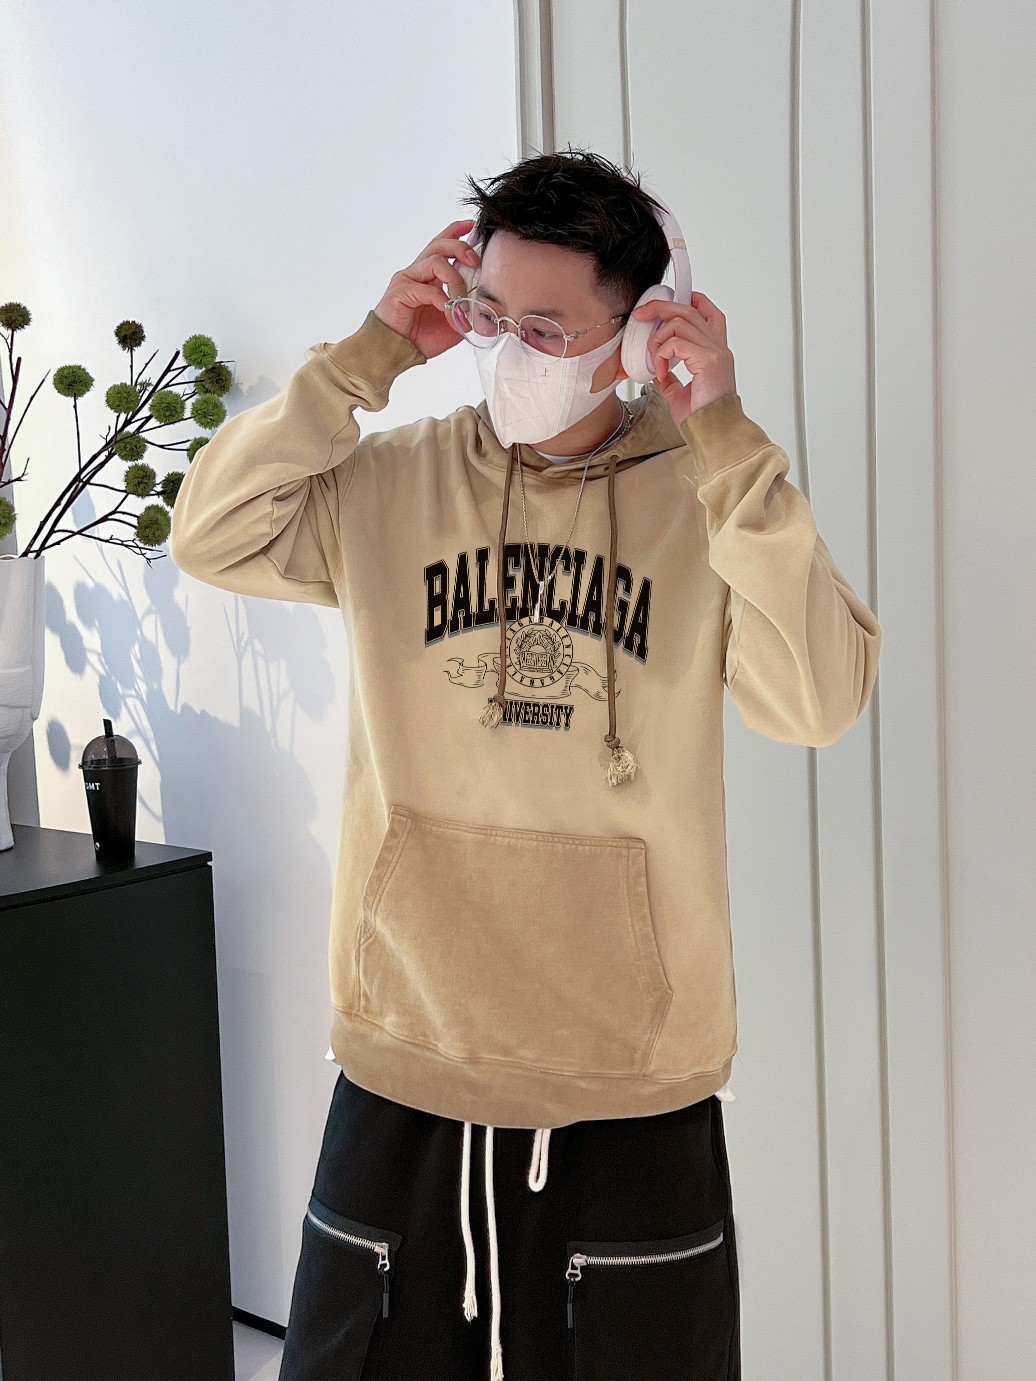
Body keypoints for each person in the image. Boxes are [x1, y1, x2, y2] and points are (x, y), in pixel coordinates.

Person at [170, 147, 881, 1381]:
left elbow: (818, 698)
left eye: (546, 329)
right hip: (408, 1049)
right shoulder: (393, 484)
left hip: (629, 1075)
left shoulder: (706, 503)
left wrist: (722, 436)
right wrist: (364, 359)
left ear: (637, 335)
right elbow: (211, 534)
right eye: (489, 314)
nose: (507, 351)